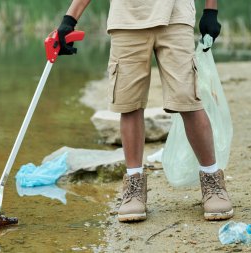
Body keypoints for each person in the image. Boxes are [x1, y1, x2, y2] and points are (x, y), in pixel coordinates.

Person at [56, 0, 233, 222]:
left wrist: (210, 10)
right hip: (126, 21)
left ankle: (212, 181)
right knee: (128, 105)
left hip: (175, 18)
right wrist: (69, 19)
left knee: (188, 102)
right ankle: (133, 186)